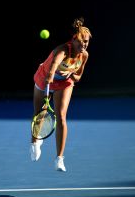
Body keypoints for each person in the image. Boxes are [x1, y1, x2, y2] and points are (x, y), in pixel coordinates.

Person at [30, 17, 92, 172]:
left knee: (61, 117)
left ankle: (59, 159)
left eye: (86, 42)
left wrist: (69, 74)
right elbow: (53, 67)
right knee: (39, 114)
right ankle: (35, 142)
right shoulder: (63, 50)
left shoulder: (84, 56)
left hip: (64, 83)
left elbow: (78, 77)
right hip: (45, 78)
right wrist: (49, 79)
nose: (83, 44)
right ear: (73, 40)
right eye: (81, 41)